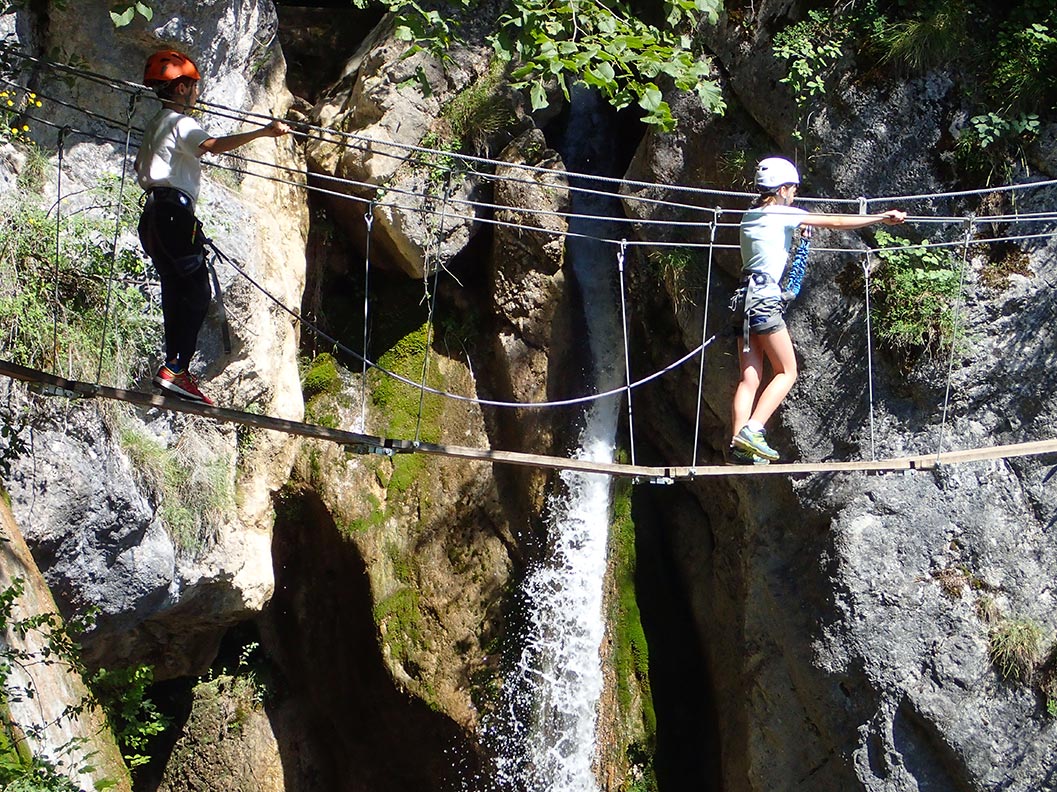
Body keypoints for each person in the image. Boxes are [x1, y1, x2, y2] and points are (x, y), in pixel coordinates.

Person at [134, 49, 289, 405]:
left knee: (177, 290)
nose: (197, 93)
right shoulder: (180, 122)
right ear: (182, 88)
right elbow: (213, 147)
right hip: (173, 213)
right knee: (198, 291)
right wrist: (264, 133)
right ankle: (175, 370)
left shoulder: (155, 125)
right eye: (193, 86)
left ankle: (174, 370)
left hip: (154, 217)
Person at [729, 156, 907, 464]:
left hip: (742, 300)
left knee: (750, 378)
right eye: (793, 189)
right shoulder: (782, 213)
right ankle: (753, 429)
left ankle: (738, 446)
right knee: (787, 371)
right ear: (782, 189)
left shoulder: (748, 216)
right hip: (764, 301)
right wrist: (880, 218)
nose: (795, 194)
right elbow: (835, 222)